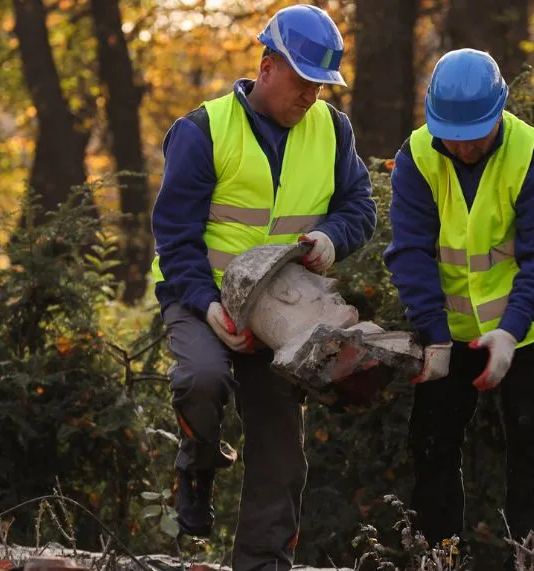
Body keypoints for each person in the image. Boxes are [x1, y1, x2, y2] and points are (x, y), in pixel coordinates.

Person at [149, 4, 376, 570]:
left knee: (280, 450)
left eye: (322, 87)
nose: (311, 97)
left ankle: (262, 563)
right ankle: (196, 469)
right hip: (200, 295)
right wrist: (206, 306)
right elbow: (175, 238)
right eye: (303, 82)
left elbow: (360, 208)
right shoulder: (202, 131)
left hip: (284, 311)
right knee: (201, 379)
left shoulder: (333, 129)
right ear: (268, 66)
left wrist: (331, 238)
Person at [383, 48, 534, 563]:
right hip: (448, 329)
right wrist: (435, 334)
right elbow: (410, 253)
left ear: (500, 112)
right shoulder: (417, 157)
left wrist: (511, 331)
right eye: (453, 133)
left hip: (530, 329)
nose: (465, 147)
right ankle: (439, 561)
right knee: (431, 446)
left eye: (477, 134)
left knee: (532, 445)